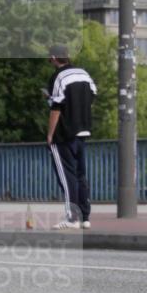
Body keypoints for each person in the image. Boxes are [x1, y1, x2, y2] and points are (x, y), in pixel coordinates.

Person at [46, 45, 97, 230]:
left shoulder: (58, 77)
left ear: (53, 58)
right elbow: (91, 96)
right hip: (83, 131)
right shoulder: (84, 74)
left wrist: (50, 134)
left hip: (64, 134)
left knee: (67, 177)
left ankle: (71, 218)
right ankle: (85, 217)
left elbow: (56, 107)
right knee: (80, 175)